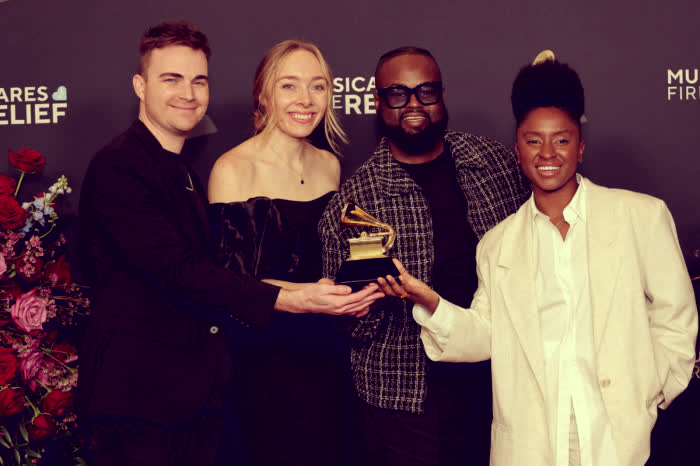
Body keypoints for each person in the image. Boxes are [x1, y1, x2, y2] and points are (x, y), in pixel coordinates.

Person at [78, 22, 382, 466]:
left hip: (197, 389)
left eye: (199, 81)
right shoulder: (120, 166)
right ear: (140, 86)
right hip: (142, 392)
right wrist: (298, 298)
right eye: (171, 79)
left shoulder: (178, 170)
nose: (188, 93)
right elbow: (180, 272)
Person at [378, 56, 698, 466]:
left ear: (580, 148)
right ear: (517, 150)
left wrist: (652, 392)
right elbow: (486, 334)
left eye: (561, 140)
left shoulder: (641, 216)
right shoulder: (497, 244)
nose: (548, 153)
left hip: (620, 436)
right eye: (533, 141)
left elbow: (676, 316)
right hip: (531, 442)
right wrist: (431, 303)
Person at [318, 46, 530, 466]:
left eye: (425, 91)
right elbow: (352, 328)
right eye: (398, 94)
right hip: (407, 398)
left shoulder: (494, 164)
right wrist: (360, 307)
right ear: (378, 102)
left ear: (442, 95)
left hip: (499, 381)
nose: (414, 104)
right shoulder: (357, 201)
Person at [207, 39, 355, 466]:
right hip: (264, 357)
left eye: (317, 86)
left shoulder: (330, 164)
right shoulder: (233, 169)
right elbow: (230, 283)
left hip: (328, 351)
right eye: (289, 85)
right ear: (264, 94)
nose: (305, 99)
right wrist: (304, 296)